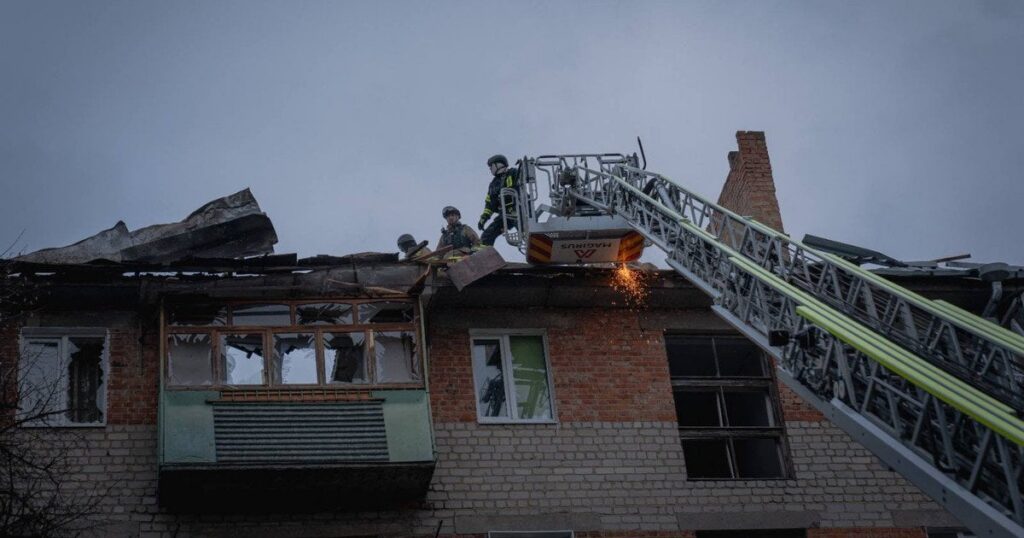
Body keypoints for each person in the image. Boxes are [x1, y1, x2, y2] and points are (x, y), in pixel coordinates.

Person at [477, 154, 520, 246]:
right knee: (487, 236)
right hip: (504, 215)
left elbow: (522, 182)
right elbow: (489, 204)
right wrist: (484, 218)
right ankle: (484, 255)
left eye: (491, 166)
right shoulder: (493, 184)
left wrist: (523, 168)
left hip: (518, 210)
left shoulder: (513, 172)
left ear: (498, 164)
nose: (490, 169)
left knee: (525, 229)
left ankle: (529, 238)